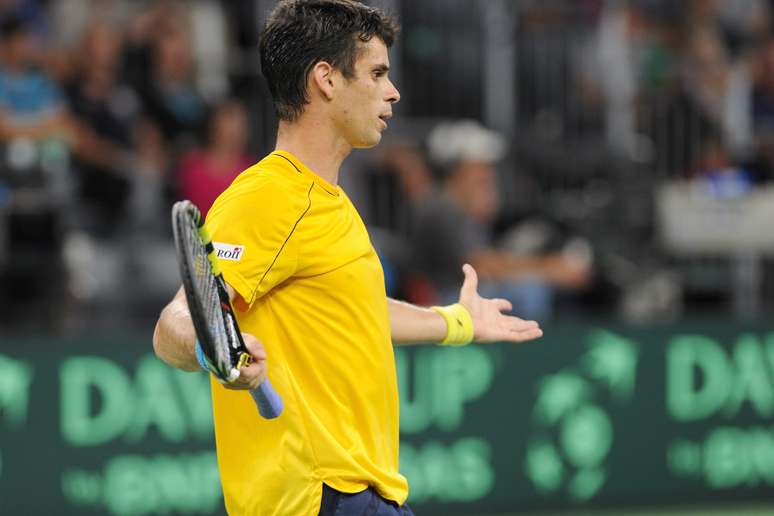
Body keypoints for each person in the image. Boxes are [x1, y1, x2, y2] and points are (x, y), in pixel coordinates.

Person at [153, 1, 543, 515]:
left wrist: (457, 322)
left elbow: (354, 314)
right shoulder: (271, 197)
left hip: (355, 493)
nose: (393, 91)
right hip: (322, 495)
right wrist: (213, 350)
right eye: (378, 73)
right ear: (326, 80)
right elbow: (174, 322)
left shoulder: (328, 201)